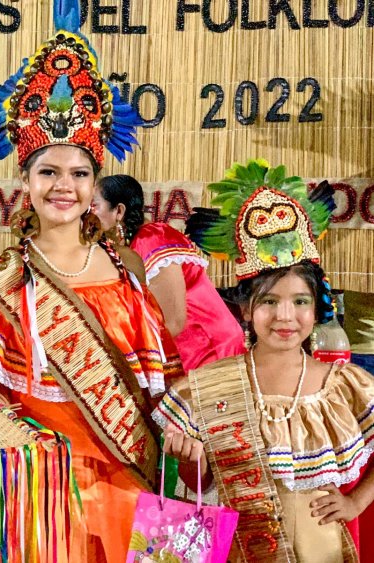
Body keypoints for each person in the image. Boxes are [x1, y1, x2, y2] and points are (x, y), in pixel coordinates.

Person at [0, 6, 183, 560]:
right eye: (48, 172)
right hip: (41, 485)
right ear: (25, 179)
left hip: (126, 473)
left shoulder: (129, 271)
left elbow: (160, 380)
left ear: (95, 183)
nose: (63, 187)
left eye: (79, 173)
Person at [154, 159, 373, 562]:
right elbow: (196, 483)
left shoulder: (343, 385)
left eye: (300, 302)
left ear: (317, 306)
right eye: (269, 302)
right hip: (236, 547)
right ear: (245, 309)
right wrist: (191, 458)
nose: (285, 317)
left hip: (318, 548)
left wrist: (357, 502)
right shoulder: (206, 385)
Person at [93, 174, 245, 372]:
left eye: (94, 205)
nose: (86, 213)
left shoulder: (153, 239)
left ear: (119, 211)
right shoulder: (135, 243)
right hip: (188, 349)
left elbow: (173, 322)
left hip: (206, 349)